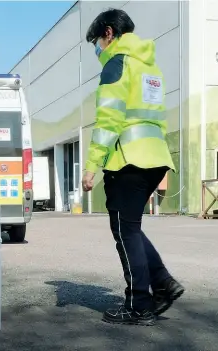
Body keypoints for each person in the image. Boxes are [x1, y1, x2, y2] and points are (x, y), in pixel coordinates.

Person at [82, 9, 184, 326]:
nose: (98, 47)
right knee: (132, 228)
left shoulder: (118, 63)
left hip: (128, 158)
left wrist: (91, 165)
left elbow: (109, 119)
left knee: (125, 231)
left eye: (97, 40)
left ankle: (139, 305)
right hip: (155, 157)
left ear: (109, 33)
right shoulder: (149, 67)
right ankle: (163, 283)